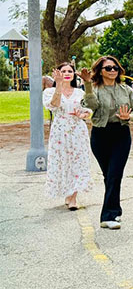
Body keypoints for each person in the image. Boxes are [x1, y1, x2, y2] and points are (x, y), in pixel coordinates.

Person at [80, 55, 133, 230]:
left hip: (121, 134)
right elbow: (91, 106)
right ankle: (115, 210)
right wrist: (87, 84)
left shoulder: (126, 90)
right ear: (100, 71)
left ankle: (107, 216)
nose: (113, 70)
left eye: (115, 67)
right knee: (109, 175)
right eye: (108, 68)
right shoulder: (94, 88)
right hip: (100, 134)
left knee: (115, 174)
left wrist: (129, 116)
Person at [43, 62, 91, 210]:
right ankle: (67, 192)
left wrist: (82, 114)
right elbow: (54, 105)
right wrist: (58, 85)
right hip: (60, 131)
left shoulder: (80, 93)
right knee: (63, 161)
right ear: (58, 73)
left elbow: (88, 110)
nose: (67, 73)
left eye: (70, 71)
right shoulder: (49, 92)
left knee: (78, 161)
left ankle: (73, 197)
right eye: (63, 71)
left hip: (77, 130)